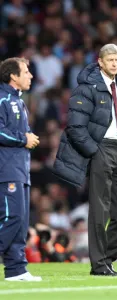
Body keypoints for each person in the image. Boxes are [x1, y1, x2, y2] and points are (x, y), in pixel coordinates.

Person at [53, 44, 117, 276]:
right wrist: (94, 150)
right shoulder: (87, 87)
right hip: (102, 149)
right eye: (110, 59)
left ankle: (105, 258)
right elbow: (75, 126)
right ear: (100, 61)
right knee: (100, 209)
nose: (114, 64)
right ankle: (99, 265)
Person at [0, 57, 41, 281]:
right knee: (11, 218)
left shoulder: (19, 101)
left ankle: (16, 269)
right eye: (26, 71)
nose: (30, 75)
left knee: (21, 221)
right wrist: (23, 138)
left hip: (20, 169)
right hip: (6, 170)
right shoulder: (2, 98)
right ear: (13, 76)